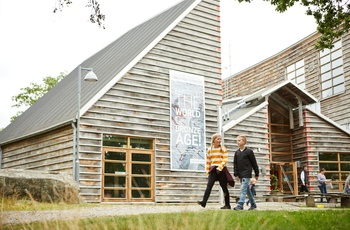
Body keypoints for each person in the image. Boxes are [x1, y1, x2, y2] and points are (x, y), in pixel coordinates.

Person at [197, 133, 233, 209]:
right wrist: (207, 171)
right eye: (218, 139)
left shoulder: (223, 148)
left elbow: (225, 159)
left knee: (224, 187)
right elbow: (208, 161)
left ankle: (227, 205)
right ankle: (204, 202)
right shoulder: (210, 149)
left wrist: (220, 167)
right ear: (214, 140)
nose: (220, 140)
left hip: (221, 169)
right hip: (213, 169)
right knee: (209, 185)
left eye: (220, 139)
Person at [233, 135, 259, 211]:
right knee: (247, 190)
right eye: (237, 140)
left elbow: (254, 163)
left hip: (247, 173)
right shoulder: (237, 153)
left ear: (244, 142)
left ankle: (240, 205)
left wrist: (256, 173)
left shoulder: (249, 152)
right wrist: (236, 174)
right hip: (240, 174)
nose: (238, 142)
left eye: (239, 140)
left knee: (243, 189)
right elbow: (235, 164)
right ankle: (253, 204)